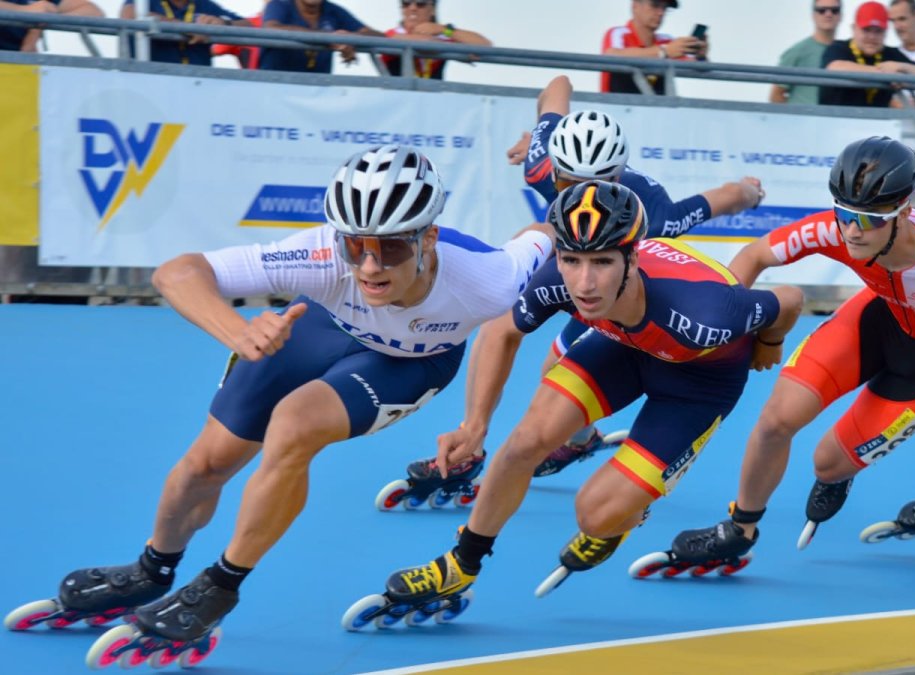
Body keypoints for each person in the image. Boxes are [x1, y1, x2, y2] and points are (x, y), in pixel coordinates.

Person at [3, 146, 553, 666]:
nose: (368, 266)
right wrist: (238, 331)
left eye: (390, 247)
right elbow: (176, 272)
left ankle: (220, 586)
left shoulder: (490, 278)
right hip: (316, 329)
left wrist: (476, 422)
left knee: (294, 424)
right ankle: (152, 569)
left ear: (428, 237)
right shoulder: (317, 257)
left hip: (411, 361)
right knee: (205, 464)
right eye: (354, 245)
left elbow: (544, 237)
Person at [358, 181, 804, 613]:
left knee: (594, 516)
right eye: (572, 260)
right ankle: (461, 564)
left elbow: (789, 298)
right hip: (625, 349)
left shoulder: (706, 315)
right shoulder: (560, 277)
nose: (585, 283)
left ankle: (623, 516)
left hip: (698, 384)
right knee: (522, 445)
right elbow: (500, 331)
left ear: (632, 256)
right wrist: (473, 426)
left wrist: (769, 343)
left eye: (603, 263)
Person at [637, 136, 915, 572]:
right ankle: (740, 530)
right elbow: (755, 256)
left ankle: (839, 475)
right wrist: (726, 329)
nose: (852, 231)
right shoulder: (834, 228)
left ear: (903, 212)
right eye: (845, 213)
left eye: (868, 220)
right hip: (876, 319)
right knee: (776, 421)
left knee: (827, 465)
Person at [494, 74, 765, 477]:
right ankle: (581, 440)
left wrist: (748, 191)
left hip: (628, 290)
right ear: (555, 170)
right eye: (567, 184)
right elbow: (558, 85)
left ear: (617, 179)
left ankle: (588, 438)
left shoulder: (652, 216)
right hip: (584, 275)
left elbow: (717, 201)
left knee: (557, 364)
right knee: (552, 368)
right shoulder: (541, 165)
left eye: (598, 186)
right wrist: (536, 132)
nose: (582, 199)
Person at [819, 1, 915, 108]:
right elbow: (835, 67)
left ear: (886, 33)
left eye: (878, 31)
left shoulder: (891, 55)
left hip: (878, 126)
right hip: (836, 124)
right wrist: (885, 74)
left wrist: (901, 67)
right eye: (866, 30)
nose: (872, 37)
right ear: (853, 29)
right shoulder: (838, 47)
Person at [600, 0, 705, 95]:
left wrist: (701, 56)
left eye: (665, 8)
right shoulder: (618, 33)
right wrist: (663, 52)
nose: (661, 13)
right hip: (616, 109)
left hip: (656, 111)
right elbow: (612, 55)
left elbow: (695, 67)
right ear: (635, 5)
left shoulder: (667, 41)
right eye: (655, 5)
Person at [257, 0, 383, 74]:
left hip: (317, 95)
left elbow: (378, 36)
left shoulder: (333, 11)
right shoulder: (280, 4)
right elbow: (271, 28)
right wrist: (328, 38)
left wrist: (349, 38)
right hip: (275, 88)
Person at [120, 0, 251, 67]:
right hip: (153, 84)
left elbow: (248, 27)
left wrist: (222, 23)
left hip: (199, 86)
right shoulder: (144, 2)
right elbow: (129, 15)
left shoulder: (203, 4)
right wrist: (184, 27)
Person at [769, 0, 843, 106]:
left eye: (834, 10)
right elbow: (776, 95)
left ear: (841, 16)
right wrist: (796, 117)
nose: (828, 14)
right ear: (813, 15)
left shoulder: (846, 51)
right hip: (803, 120)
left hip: (835, 119)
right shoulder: (797, 52)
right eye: (821, 10)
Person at [0, 0, 101, 53]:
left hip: (18, 66)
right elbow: (33, 10)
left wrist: (46, 19)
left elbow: (94, 12)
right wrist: (26, 11)